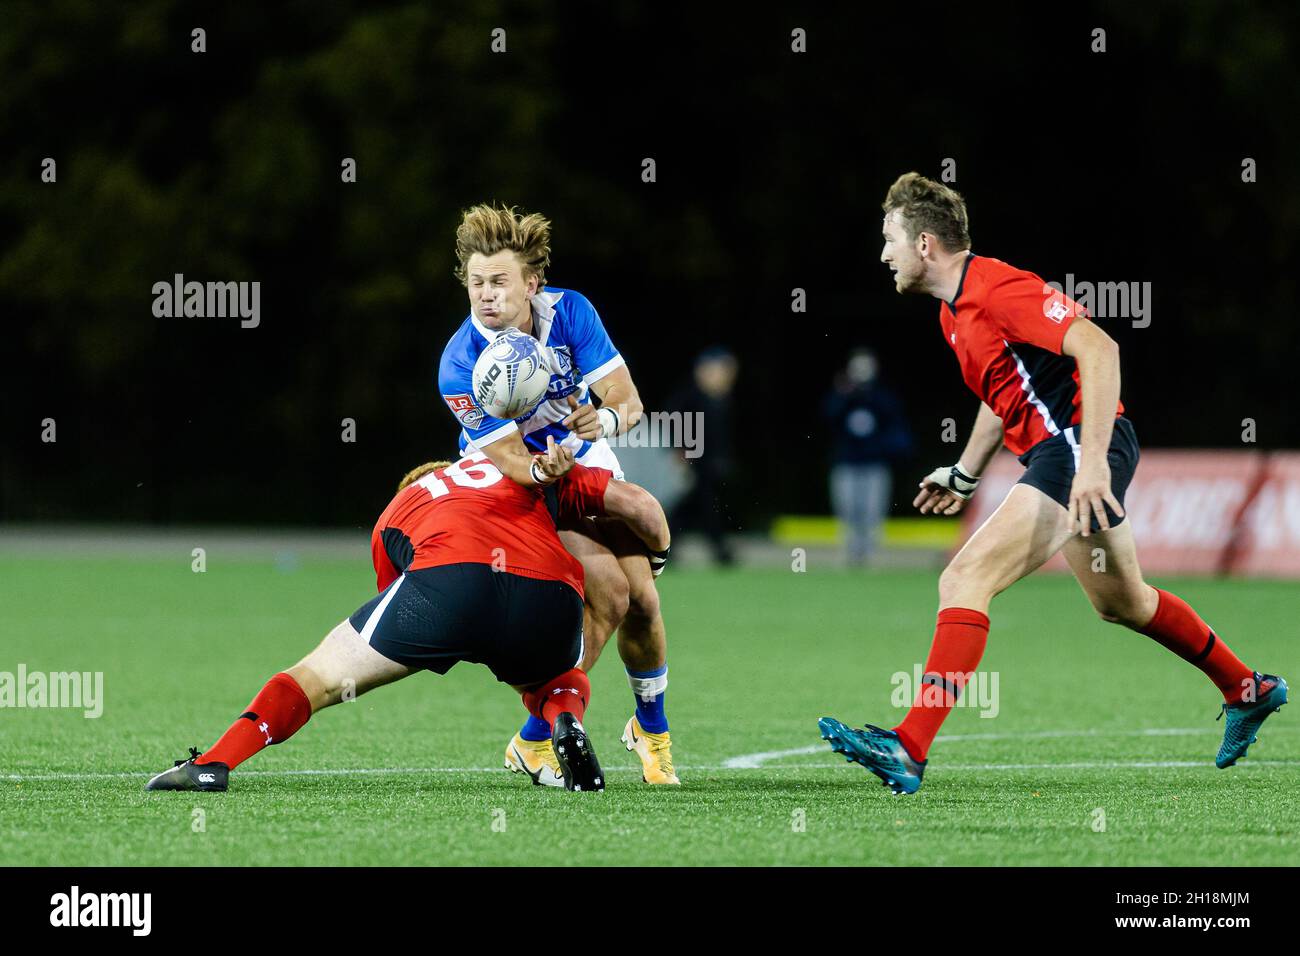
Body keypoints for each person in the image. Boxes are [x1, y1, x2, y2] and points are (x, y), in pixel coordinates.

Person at [819, 172, 1287, 794]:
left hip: (1075, 449)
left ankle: (909, 747)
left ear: (926, 243)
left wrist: (1091, 465)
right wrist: (964, 473)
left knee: (964, 577)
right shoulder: (952, 314)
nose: (884, 253)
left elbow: (1100, 349)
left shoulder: (997, 287)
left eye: (890, 239)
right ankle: (1246, 688)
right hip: (1060, 453)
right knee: (1122, 602)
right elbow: (1000, 395)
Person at [145, 442, 671, 793]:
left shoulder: (399, 508)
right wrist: (659, 557)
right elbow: (641, 505)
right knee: (555, 673)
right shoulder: (519, 468)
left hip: (448, 586)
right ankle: (564, 718)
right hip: (547, 592)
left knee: (321, 676)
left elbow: (406, 594)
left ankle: (214, 763)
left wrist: (459, 629)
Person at [437, 204, 678, 785]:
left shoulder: (571, 311)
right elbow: (514, 464)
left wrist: (607, 421)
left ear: (531, 283)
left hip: (579, 454)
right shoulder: (459, 363)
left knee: (642, 598)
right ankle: (539, 732)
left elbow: (627, 399)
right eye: (476, 283)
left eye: (499, 281)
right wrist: (548, 465)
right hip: (516, 478)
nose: (487, 295)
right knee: (614, 592)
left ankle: (648, 731)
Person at [823, 349, 913, 565]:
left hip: (875, 464)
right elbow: (828, 418)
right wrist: (846, 393)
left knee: (873, 510)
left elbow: (894, 424)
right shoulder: (842, 394)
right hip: (846, 463)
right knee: (847, 508)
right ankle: (851, 552)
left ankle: (870, 554)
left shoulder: (882, 396)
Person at [667, 346, 739, 565]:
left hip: (715, 463)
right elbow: (672, 421)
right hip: (696, 461)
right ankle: (720, 550)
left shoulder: (723, 399)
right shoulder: (690, 397)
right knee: (705, 505)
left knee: (693, 506)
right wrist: (681, 449)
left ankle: (666, 546)